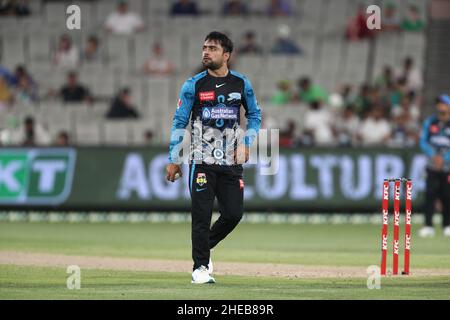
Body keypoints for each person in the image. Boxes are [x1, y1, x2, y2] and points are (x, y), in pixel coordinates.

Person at [165, 31, 261, 284]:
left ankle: (203, 249)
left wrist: (246, 143)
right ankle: (200, 267)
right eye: (204, 47)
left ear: (226, 55)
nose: (206, 52)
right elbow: (179, 120)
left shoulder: (242, 83)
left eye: (213, 48)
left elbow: (255, 116)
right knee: (201, 214)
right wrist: (174, 158)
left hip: (231, 162)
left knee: (233, 214)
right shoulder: (193, 84)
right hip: (201, 161)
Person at [418, 95, 450, 238]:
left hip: (448, 167)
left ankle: (447, 225)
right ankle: (428, 225)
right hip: (432, 165)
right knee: (430, 195)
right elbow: (423, 141)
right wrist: (433, 155)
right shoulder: (430, 122)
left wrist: (445, 158)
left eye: (443, 104)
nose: (440, 106)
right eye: (439, 104)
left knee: (447, 195)